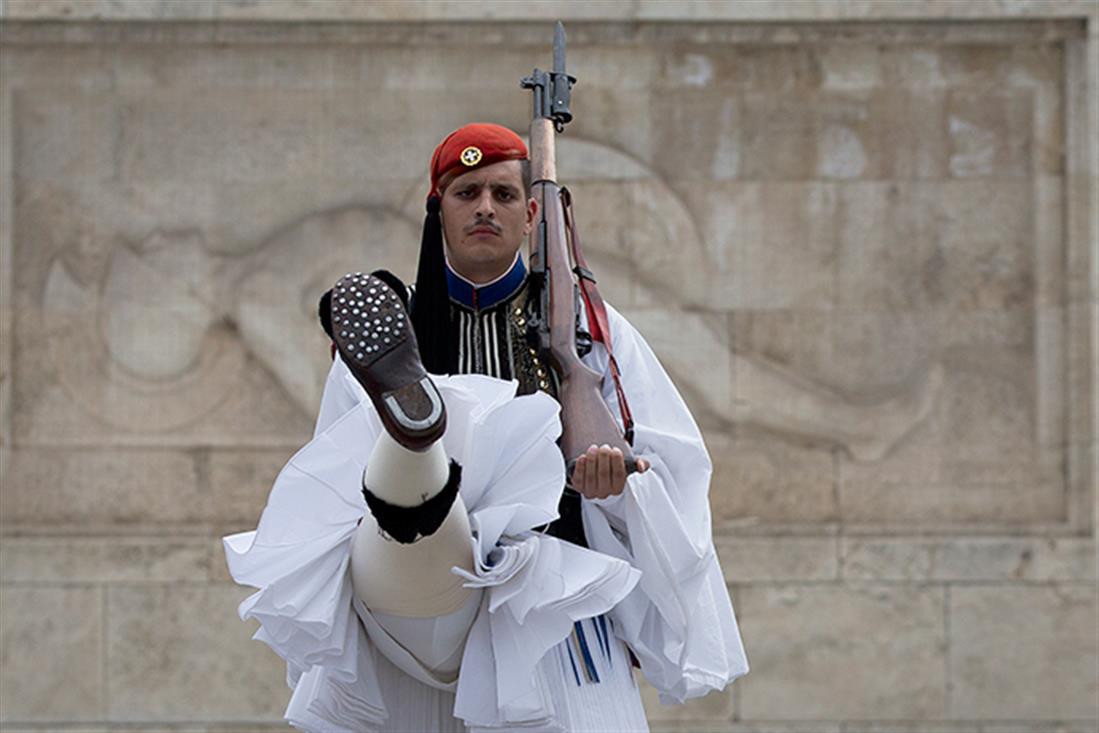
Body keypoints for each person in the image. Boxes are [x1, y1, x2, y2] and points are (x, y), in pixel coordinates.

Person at [224, 123, 748, 732]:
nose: (484, 208)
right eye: (466, 192)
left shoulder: (590, 332)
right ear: (438, 211)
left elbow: (673, 467)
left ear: (531, 215)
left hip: (554, 613)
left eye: (503, 194)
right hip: (414, 620)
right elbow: (334, 485)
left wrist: (614, 487)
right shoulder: (384, 341)